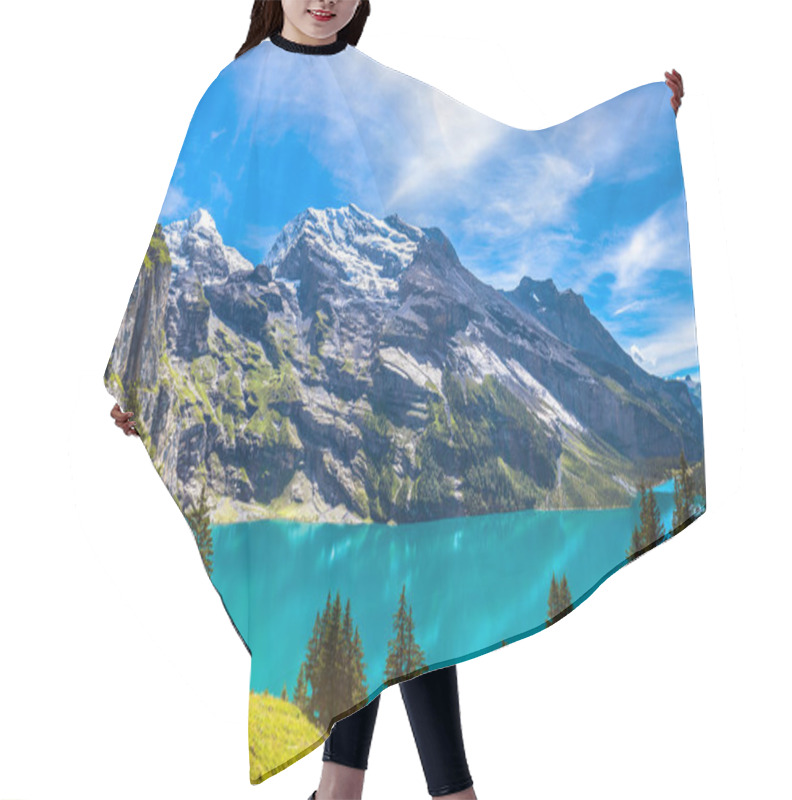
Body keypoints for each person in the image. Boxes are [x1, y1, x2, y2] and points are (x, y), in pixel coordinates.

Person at [109, 2, 685, 798]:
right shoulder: (234, 93)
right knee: (383, 600)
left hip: (388, 419)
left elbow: (504, 165)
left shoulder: (375, 91)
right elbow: (178, 243)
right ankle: (424, 793)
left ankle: (355, 790)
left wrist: (642, 131)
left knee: (401, 598)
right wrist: (147, 371)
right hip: (316, 418)